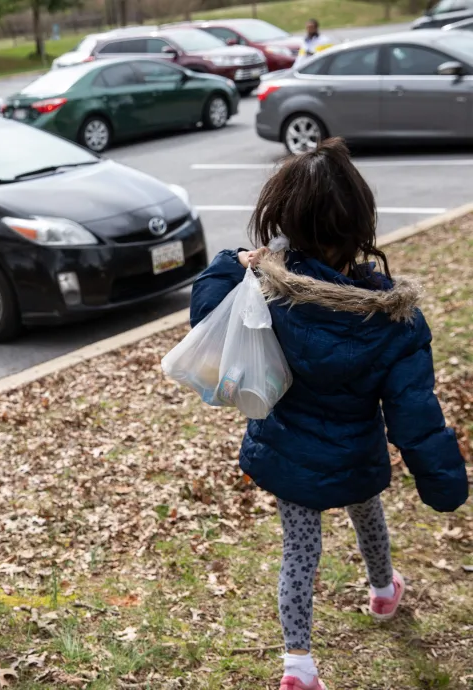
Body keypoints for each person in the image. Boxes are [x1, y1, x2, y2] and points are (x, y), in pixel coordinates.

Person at [189, 139, 468, 690]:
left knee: (299, 551)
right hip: (356, 452)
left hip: (288, 453)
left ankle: (299, 662)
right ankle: (384, 589)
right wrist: (443, 482)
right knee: (369, 517)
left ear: (287, 220)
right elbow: (416, 414)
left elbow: (204, 316)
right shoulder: (394, 321)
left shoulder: (268, 291)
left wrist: (228, 264)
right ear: (361, 226)